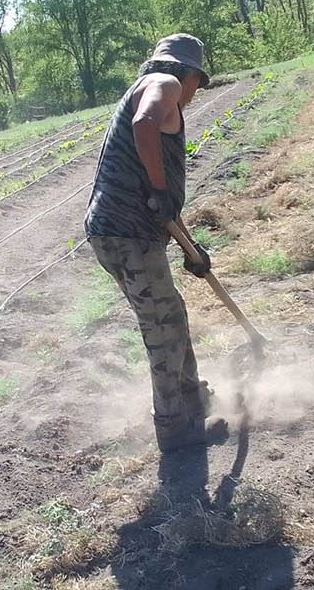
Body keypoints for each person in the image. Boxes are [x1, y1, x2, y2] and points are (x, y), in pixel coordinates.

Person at [84, 34, 219, 453]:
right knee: (162, 328)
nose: (196, 92)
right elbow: (145, 126)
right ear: (190, 72)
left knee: (170, 315)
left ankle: (193, 400)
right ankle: (173, 426)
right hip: (128, 233)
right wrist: (161, 191)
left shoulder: (153, 87)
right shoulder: (167, 83)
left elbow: (159, 202)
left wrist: (192, 250)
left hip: (118, 231)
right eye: (200, 81)